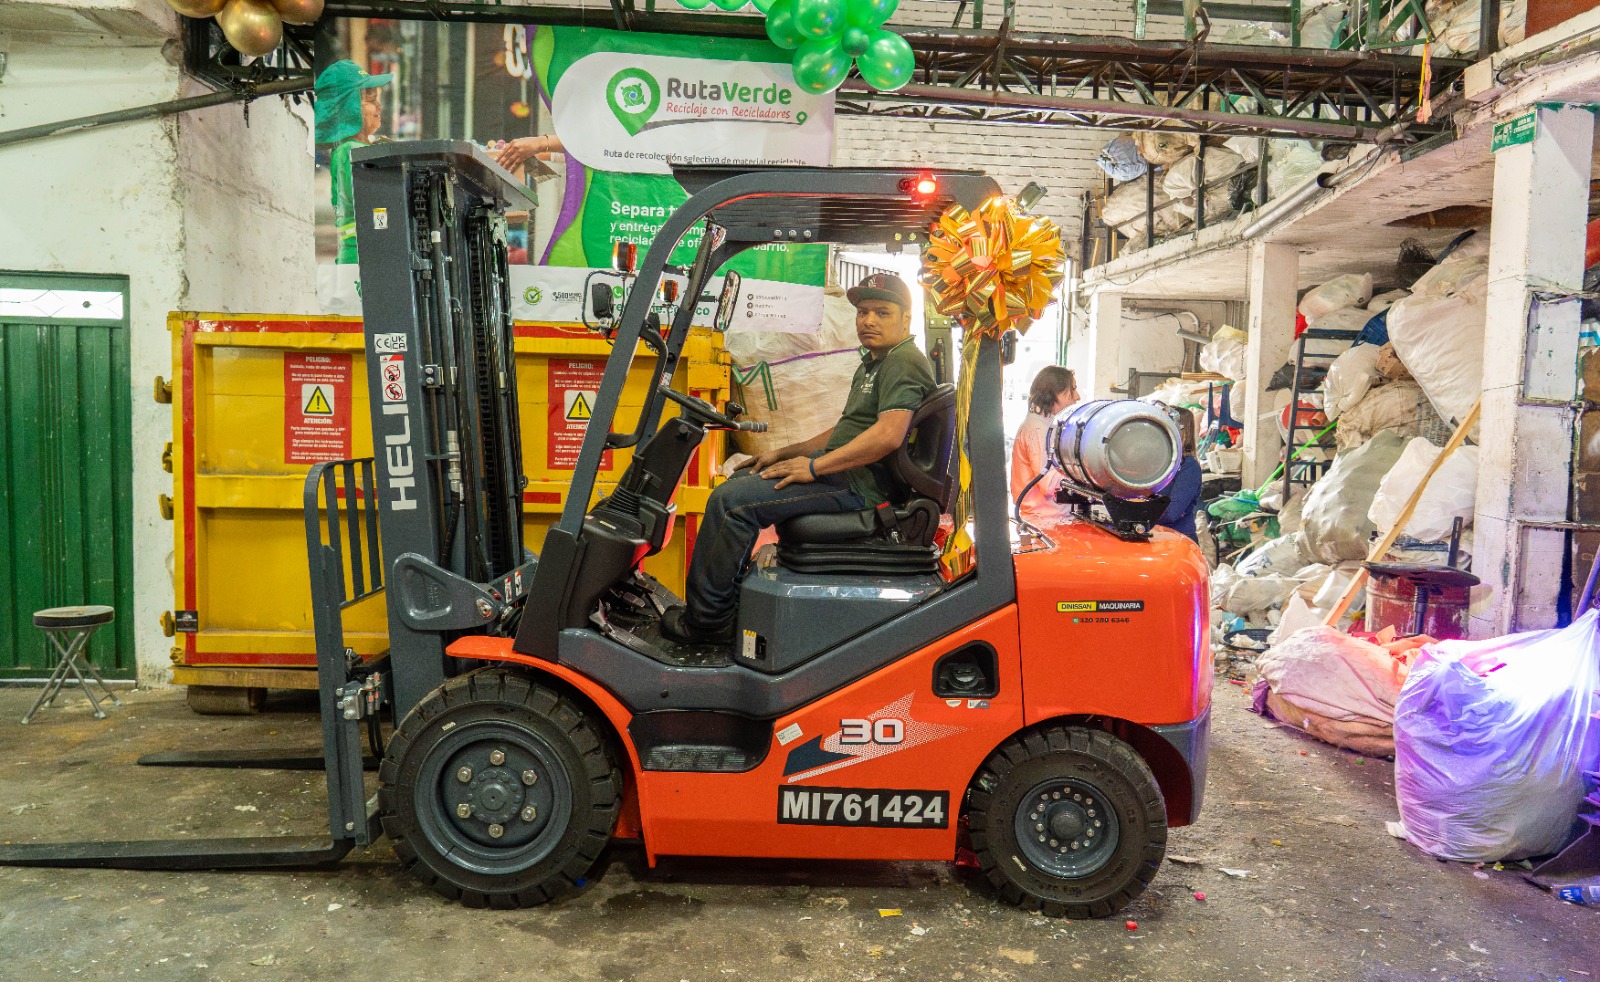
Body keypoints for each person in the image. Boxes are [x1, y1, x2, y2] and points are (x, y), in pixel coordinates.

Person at [662, 273, 936, 644]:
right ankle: (728, 603)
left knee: (730, 504)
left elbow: (887, 435)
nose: (868, 320)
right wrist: (783, 452)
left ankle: (707, 624)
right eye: (863, 312)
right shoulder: (875, 362)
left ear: (906, 319)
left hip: (860, 486)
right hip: (846, 473)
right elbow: (843, 431)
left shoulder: (903, 362)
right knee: (739, 483)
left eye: (882, 312)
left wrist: (814, 467)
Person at [314, 60, 392, 264]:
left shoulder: (360, 149)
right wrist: (387, 236)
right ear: (350, 107)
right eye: (371, 99)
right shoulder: (350, 152)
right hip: (363, 258)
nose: (379, 106)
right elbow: (377, 205)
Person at [1009, 366, 1079, 523]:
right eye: (1072, 390)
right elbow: (1050, 484)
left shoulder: (1045, 425)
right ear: (1054, 393)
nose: (1077, 396)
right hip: (1047, 521)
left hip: (1052, 518)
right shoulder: (1038, 429)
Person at [1158, 405, 1203, 542]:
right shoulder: (1157, 464)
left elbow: (1172, 512)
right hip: (1157, 535)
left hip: (1177, 540)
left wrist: (1136, 513)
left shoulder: (1188, 467)